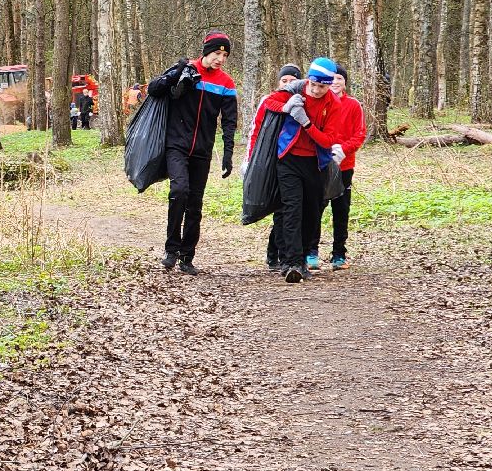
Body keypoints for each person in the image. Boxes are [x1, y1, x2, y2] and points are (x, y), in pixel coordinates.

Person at [146, 31, 239, 275]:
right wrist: (175, 74)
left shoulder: (226, 84)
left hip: (202, 150)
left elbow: (229, 121)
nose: (220, 58)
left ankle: (187, 256)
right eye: (217, 53)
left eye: (225, 55)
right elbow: (153, 89)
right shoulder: (188, 70)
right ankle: (171, 249)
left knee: (195, 204)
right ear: (206, 51)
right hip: (176, 144)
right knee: (179, 191)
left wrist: (228, 153)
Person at [249, 58, 344, 283]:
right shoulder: (296, 88)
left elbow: (327, 139)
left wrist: (307, 124)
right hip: (288, 159)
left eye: (322, 86)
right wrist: (286, 106)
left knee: (311, 212)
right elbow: (269, 103)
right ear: (308, 79)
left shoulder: (333, 104)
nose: (317, 90)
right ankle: (291, 263)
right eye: (314, 84)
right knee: (291, 208)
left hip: (315, 163)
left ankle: (301, 260)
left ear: (329, 85)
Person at [313, 65, 366, 271]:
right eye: (332, 79)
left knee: (341, 209)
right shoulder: (317, 102)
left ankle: (338, 255)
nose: (335, 82)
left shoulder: (353, 105)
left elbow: (359, 134)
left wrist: (343, 150)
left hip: (344, 165)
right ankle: (311, 252)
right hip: (319, 164)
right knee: (316, 208)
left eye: (339, 79)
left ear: (344, 82)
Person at [257, 64, 304, 271]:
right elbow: (256, 128)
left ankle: (285, 256)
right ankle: (273, 253)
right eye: (284, 81)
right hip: (270, 161)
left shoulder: (303, 101)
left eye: (292, 80)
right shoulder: (270, 100)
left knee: (288, 209)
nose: (287, 84)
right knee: (279, 209)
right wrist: (249, 160)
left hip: (292, 163)